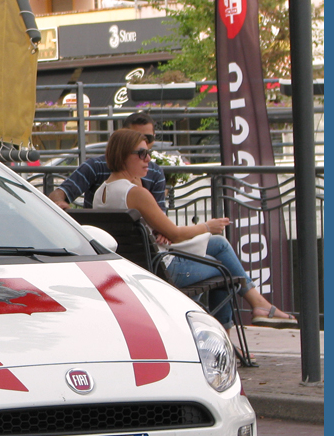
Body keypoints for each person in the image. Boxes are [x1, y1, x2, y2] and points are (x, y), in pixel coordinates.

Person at [94, 128, 297, 330]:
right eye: (141, 154)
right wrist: (208, 226)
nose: (148, 159)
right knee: (224, 270)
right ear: (122, 156)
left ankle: (258, 304)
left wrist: (154, 229)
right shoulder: (136, 193)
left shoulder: (101, 192)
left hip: (130, 269)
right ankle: (226, 339)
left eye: (149, 153)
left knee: (218, 245)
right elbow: (175, 234)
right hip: (160, 269)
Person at [49, 111, 168, 211]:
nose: (143, 142)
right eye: (135, 138)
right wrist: (60, 203)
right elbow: (60, 193)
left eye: (148, 138)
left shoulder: (155, 172)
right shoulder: (96, 167)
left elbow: (161, 218)